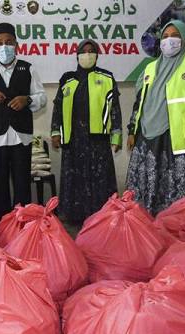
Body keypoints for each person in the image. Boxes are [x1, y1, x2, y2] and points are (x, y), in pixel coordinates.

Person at [126, 20, 185, 216]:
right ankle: (148, 226)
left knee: (176, 189)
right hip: (146, 136)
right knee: (145, 184)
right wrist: (132, 131)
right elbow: (140, 102)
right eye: (165, 36)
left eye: (174, 35)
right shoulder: (150, 68)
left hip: (178, 139)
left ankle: (175, 231)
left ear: (184, 39)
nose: (169, 40)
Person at [0, 22, 47, 222]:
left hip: (21, 136)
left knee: (22, 185)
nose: (5, 46)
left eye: (9, 42)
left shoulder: (28, 69)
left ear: (17, 45)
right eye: (0, 42)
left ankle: (24, 226)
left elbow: (42, 97)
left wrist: (27, 99)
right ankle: (1, 227)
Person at [50, 39, 122, 223]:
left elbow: (115, 109)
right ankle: (75, 217)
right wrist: (55, 132)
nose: (87, 54)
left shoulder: (107, 78)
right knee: (74, 179)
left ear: (97, 55)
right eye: (84, 50)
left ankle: (101, 217)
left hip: (98, 139)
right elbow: (58, 107)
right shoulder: (67, 79)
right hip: (72, 139)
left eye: (92, 51)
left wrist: (116, 136)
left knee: (99, 180)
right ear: (77, 54)